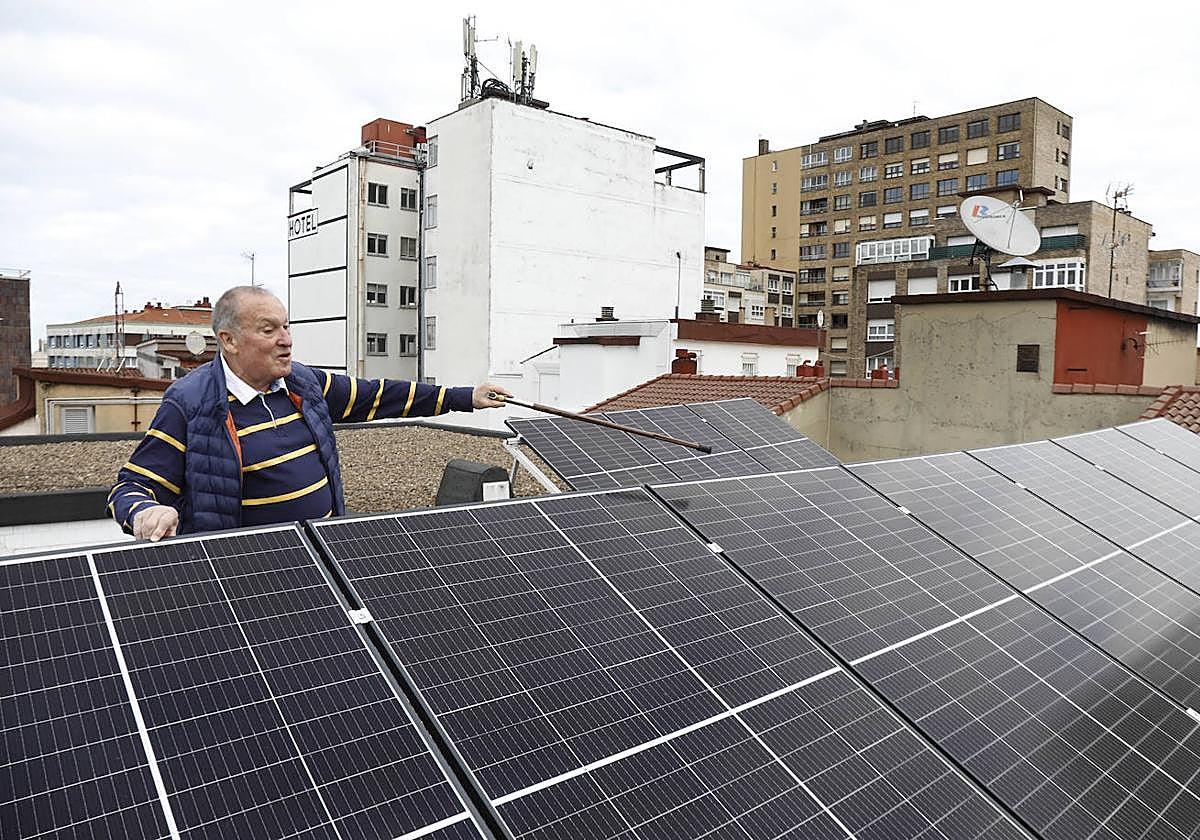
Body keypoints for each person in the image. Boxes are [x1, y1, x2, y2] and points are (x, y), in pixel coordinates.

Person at [108, 286, 510, 540]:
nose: (286, 340)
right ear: (227, 340)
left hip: (323, 557)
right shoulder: (191, 403)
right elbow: (128, 488)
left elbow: (380, 396)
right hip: (247, 580)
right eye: (269, 330)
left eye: (286, 327)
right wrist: (146, 511)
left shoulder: (304, 384)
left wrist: (465, 397)